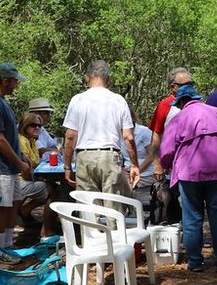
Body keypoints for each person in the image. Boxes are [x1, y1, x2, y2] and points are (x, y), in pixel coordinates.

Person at [159, 84, 217, 273]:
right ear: (196, 98)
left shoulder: (179, 118)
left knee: (192, 217)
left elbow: (167, 150)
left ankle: (195, 262)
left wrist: (166, 164)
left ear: (182, 102)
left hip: (190, 173)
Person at [61, 60, 139, 197]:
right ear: (108, 79)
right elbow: (128, 137)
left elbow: (70, 136)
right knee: (114, 209)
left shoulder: (77, 100)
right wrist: (134, 164)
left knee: (88, 209)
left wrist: (67, 166)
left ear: (87, 77)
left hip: (84, 157)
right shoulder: (118, 100)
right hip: (110, 157)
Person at [0, 62, 30, 263]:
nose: (16, 85)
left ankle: (8, 244)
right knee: (2, 205)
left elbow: (9, 136)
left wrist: (21, 156)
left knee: (13, 203)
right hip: (0, 165)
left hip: (10, 165)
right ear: (5, 81)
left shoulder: (2, 101)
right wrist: (19, 162)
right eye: (14, 81)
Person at [17, 112, 59, 238]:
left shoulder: (32, 141)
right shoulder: (21, 141)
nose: (37, 128)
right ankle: (46, 230)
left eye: (39, 126)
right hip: (19, 181)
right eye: (33, 125)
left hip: (28, 179)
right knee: (54, 190)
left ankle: (25, 211)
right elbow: (26, 171)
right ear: (25, 126)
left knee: (54, 186)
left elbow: (34, 165)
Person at [149, 67, 192, 177]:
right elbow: (156, 135)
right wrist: (157, 164)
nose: (189, 87)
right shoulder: (165, 105)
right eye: (185, 85)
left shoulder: (197, 102)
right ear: (173, 87)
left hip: (194, 162)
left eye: (191, 84)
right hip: (172, 165)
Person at [121, 109, 157, 208]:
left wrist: (137, 170)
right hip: (128, 170)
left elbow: (152, 155)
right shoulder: (118, 134)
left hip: (146, 172)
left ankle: (133, 211)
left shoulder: (144, 132)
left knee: (126, 183)